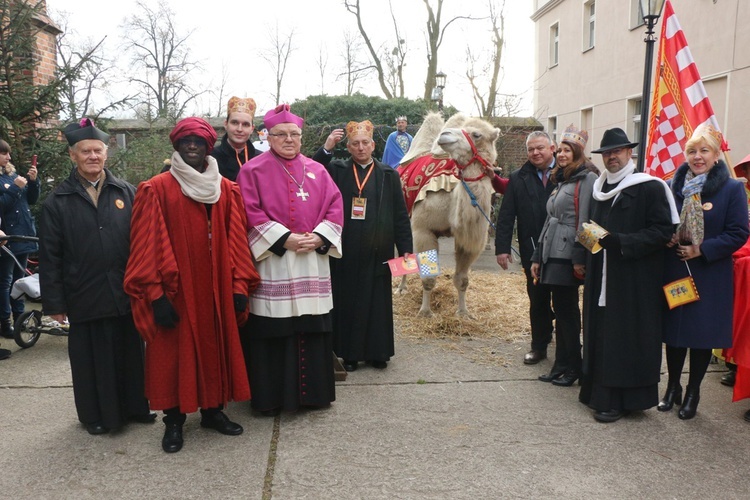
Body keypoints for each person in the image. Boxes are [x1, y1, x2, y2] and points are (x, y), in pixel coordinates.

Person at [124, 117, 259, 453]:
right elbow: (145, 245)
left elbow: (237, 240)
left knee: (214, 348)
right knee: (173, 356)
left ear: (208, 145)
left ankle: (213, 412)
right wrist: (155, 296)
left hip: (215, 288)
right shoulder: (156, 189)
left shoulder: (226, 189)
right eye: (186, 141)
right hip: (176, 292)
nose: (193, 146)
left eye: (199, 141)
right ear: (177, 145)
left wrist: (239, 285)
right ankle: (173, 422)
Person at [38, 118, 151, 435]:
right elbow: (50, 258)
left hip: (125, 291)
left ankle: (136, 407)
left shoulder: (127, 192)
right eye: (85, 151)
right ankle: (96, 416)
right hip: (84, 294)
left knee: (130, 353)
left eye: (97, 151)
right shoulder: (57, 202)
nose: (92, 157)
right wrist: (54, 304)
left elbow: (143, 243)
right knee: (93, 361)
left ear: (106, 153)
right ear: (73, 155)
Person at [237, 104, 344, 416]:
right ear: (268, 138)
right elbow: (248, 211)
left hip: (311, 262)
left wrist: (321, 236)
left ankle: (314, 396)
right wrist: (285, 238)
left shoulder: (318, 169)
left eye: (294, 134)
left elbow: (335, 205)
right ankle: (272, 398)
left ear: (301, 137)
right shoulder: (252, 171)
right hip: (276, 262)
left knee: (311, 328)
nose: (288, 140)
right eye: (280, 134)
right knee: (274, 330)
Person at [578, 127, 679, 423]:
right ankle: (599, 394)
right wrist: (586, 247)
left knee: (626, 336)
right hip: (601, 275)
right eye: (607, 153)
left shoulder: (650, 187)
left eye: (617, 151)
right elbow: (590, 229)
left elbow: (663, 231)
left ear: (629, 152)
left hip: (636, 279)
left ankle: (625, 400)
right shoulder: (599, 188)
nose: (612, 157)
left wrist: (621, 242)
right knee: (601, 333)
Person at [659, 124, 749, 420]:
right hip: (676, 269)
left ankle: (693, 391)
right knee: (674, 334)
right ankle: (672, 388)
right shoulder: (673, 185)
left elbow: (738, 232)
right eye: (692, 151)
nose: (697, 157)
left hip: (709, 273)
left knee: (700, 336)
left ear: (715, 155)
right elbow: (665, 223)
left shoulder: (732, 188)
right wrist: (669, 236)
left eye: (704, 151)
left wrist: (701, 249)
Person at [315, 120, 412, 371]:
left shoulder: (389, 175)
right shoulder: (337, 170)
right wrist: (327, 147)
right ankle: (348, 353)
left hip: (378, 250)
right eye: (355, 144)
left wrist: (406, 251)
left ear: (373, 145)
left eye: (365, 143)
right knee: (347, 300)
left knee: (378, 302)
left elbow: (400, 215)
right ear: (348, 147)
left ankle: (378, 353)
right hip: (345, 249)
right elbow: (313, 170)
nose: (360, 148)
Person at [530, 125, 596, 386]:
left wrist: (580, 258)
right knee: (561, 308)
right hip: (551, 250)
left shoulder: (587, 179)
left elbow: (586, 220)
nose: (562, 154)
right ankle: (560, 365)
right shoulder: (563, 179)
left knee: (567, 311)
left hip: (568, 253)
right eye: (561, 150)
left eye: (568, 151)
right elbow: (549, 219)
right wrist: (537, 256)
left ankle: (573, 368)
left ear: (578, 153)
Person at [495, 131, 556, 365]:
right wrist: (502, 248)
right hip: (532, 250)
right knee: (538, 299)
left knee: (564, 301)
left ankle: (569, 344)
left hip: (562, 250)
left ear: (552, 147)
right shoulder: (518, 178)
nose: (535, 153)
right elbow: (506, 215)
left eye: (540, 148)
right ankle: (539, 346)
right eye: (531, 149)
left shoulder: (566, 173)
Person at [0, 140, 39, 340]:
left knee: (19, 281)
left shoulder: (12, 175)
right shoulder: (9, 182)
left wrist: (33, 183)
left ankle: (20, 319)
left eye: (8, 153)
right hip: (6, 239)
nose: (8, 157)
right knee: (5, 282)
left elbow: (31, 200)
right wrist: (14, 188)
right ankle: (4, 323)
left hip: (23, 236)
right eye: (4, 154)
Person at [210, 96, 260, 181]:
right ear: (226, 124)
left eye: (245, 124)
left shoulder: (260, 159)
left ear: (252, 128)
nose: (239, 129)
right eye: (234, 123)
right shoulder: (211, 157)